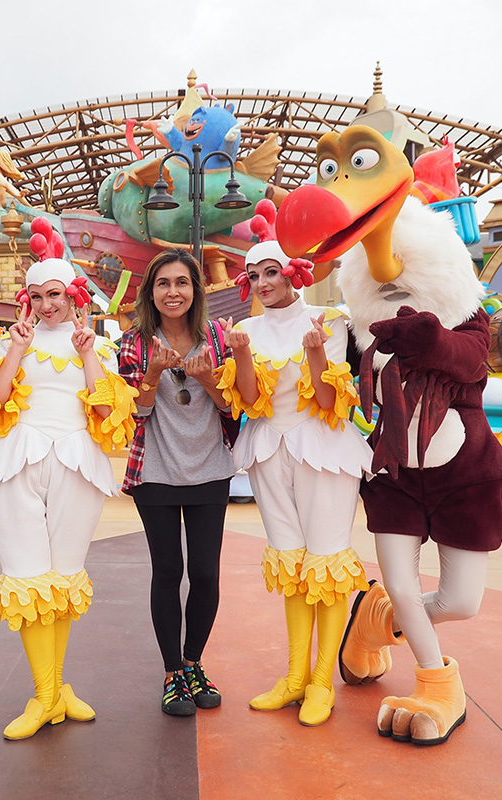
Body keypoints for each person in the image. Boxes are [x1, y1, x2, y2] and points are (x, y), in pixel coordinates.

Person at [0, 223, 136, 739]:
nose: (47, 306)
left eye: (56, 295)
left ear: (73, 295)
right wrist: (15, 350)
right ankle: (45, 696)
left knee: (62, 579)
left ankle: (56, 690)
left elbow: (106, 411)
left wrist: (87, 354)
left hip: (77, 463)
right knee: (27, 577)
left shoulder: (98, 346)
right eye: (38, 296)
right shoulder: (13, 342)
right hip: (16, 460)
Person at [218, 238, 372, 726]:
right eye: (254, 275)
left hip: (323, 450)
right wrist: (242, 355)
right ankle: (295, 677)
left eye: (271, 272)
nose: (263, 283)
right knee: (290, 564)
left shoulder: (329, 321)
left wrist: (316, 353)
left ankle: (322, 682)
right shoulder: (245, 330)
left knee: (326, 564)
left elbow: (328, 402)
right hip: (269, 451)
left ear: (293, 273)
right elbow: (249, 402)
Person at [119, 249, 235, 716]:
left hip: (210, 469)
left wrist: (207, 379)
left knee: (205, 573)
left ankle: (193, 663)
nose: (173, 292)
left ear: (195, 290)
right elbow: (135, 412)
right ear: (151, 293)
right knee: (168, 572)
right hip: (156, 473)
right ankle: (172, 674)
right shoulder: (133, 343)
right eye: (163, 283)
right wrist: (151, 373)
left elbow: (234, 406)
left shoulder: (218, 338)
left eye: (182, 282)